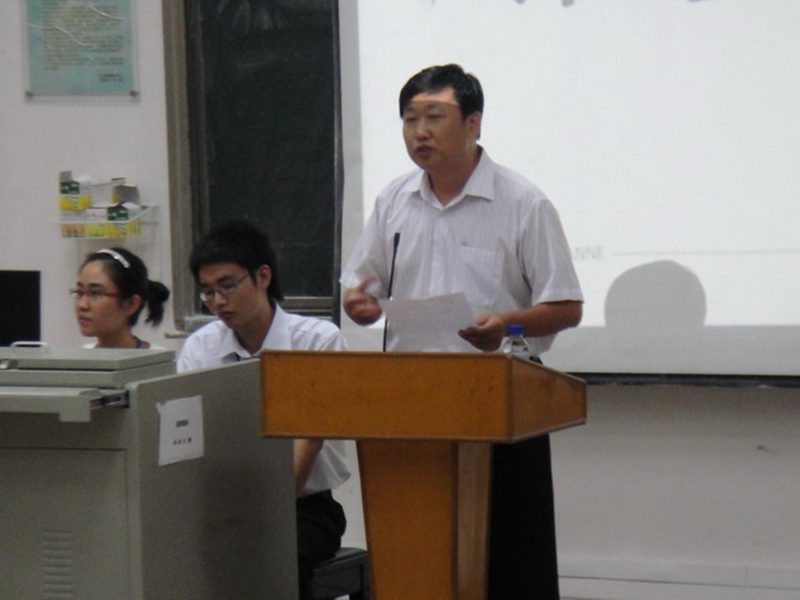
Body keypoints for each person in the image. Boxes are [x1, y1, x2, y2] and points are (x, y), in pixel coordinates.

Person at [341, 63, 584, 599]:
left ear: (473, 124)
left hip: (498, 404)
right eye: (410, 120)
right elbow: (361, 287)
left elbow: (566, 306)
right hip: (409, 403)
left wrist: (506, 324)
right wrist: (358, 304)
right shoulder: (393, 200)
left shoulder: (523, 202)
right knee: (418, 555)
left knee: (508, 562)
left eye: (435, 117)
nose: (419, 132)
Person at [176, 219, 350, 600]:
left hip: (301, 509)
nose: (218, 301)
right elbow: (189, 435)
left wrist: (263, 515)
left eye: (228, 285)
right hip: (223, 506)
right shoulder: (200, 348)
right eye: (208, 292)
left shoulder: (317, 341)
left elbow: (310, 439)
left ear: (263, 277)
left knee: (273, 557)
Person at [72, 247, 170, 349]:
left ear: (130, 304)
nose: (82, 305)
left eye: (95, 293)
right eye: (79, 292)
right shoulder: (80, 355)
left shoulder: (159, 357)